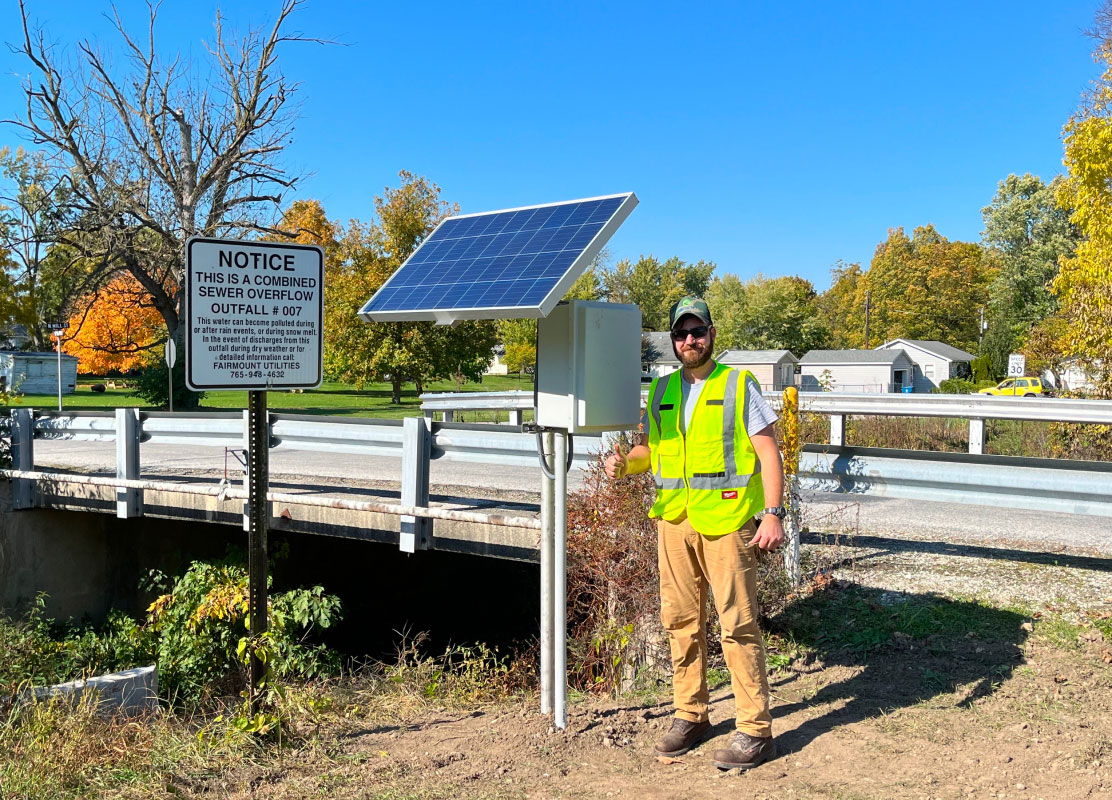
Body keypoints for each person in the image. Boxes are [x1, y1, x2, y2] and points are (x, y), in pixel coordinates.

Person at [604, 295, 785, 771]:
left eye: (697, 331)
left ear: (711, 334)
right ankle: (692, 715)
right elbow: (649, 452)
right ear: (672, 340)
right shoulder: (661, 390)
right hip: (674, 521)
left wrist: (772, 513)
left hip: (727, 524)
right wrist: (625, 464)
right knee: (680, 622)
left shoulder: (738, 384)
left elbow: (768, 453)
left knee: (737, 625)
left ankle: (755, 731)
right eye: (681, 334)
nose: (689, 340)